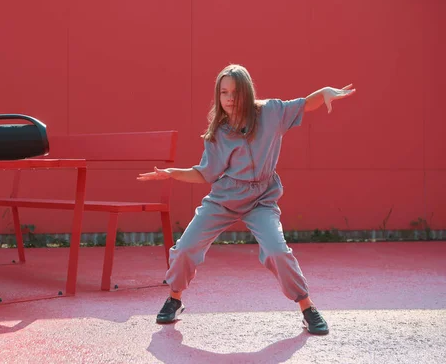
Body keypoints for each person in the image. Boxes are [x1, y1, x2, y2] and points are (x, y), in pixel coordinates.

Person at [137, 64, 356, 335]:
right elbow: (205, 173)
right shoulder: (218, 132)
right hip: (224, 198)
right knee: (185, 248)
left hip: (261, 200)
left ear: (247, 92)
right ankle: (174, 299)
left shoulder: (271, 113)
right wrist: (172, 173)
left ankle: (307, 307)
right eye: (223, 92)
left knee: (277, 251)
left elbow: (302, 105)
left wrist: (323, 93)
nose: (229, 98)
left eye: (235, 92)